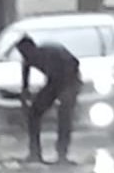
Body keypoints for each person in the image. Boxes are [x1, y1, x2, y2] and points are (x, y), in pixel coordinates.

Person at [15, 36, 81, 164]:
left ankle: (62, 154)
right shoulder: (28, 59)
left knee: (64, 114)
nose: (26, 57)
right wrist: (25, 97)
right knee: (34, 113)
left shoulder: (49, 53)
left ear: (33, 48)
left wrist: (65, 94)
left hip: (71, 80)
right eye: (22, 54)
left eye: (26, 53)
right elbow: (25, 82)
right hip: (54, 82)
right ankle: (34, 152)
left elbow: (75, 64)